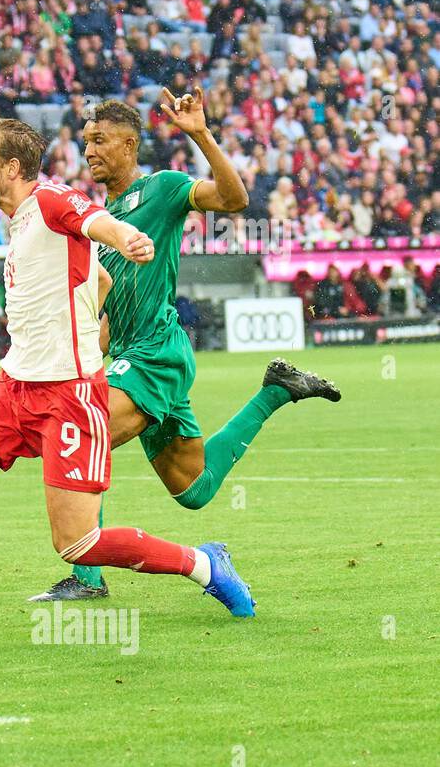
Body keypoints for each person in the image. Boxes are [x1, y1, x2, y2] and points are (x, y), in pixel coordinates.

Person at [0, 118, 256, 634]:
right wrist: (87, 318)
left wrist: (128, 237)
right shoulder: (19, 220)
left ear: (12, 167)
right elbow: (99, 278)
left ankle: (204, 564)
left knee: (77, 544)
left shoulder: (52, 200)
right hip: (14, 386)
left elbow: (96, 220)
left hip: (67, 397)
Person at [31, 91, 341, 603]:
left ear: (130, 144)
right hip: (136, 355)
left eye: (100, 141)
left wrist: (199, 133)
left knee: (83, 434)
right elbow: (114, 305)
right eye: (86, 141)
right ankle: (276, 392)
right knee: (193, 489)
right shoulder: (102, 217)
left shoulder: (165, 188)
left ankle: (87, 580)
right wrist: (88, 350)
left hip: (157, 353)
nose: (89, 151)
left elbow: (235, 199)